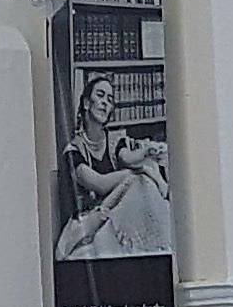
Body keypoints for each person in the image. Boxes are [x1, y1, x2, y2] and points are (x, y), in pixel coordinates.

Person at [56, 70, 175, 261]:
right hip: (92, 219)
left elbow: (127, 157)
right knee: (136, 180)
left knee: (141, 184)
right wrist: (141, 170)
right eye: (100, 96)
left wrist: (146, 153)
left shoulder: (115, 140)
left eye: (110, 99)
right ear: (87, 103)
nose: (105, 102)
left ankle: (161, 248)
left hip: (118, 210)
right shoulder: (73, 151)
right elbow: (99, 183)